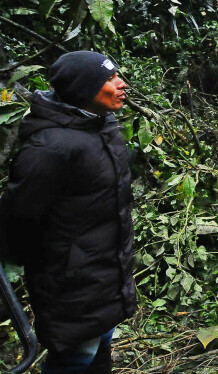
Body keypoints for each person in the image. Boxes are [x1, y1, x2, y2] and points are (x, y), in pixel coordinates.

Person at [0, 51, 135, 374]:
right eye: (109, 79)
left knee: (100, 352)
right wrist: (58, 263)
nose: (122, 84)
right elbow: (17, 221)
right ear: (82, 90)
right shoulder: (50, 149)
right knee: (76, 360)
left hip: (107, 278)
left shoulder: (104, 127)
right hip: (73, 287)